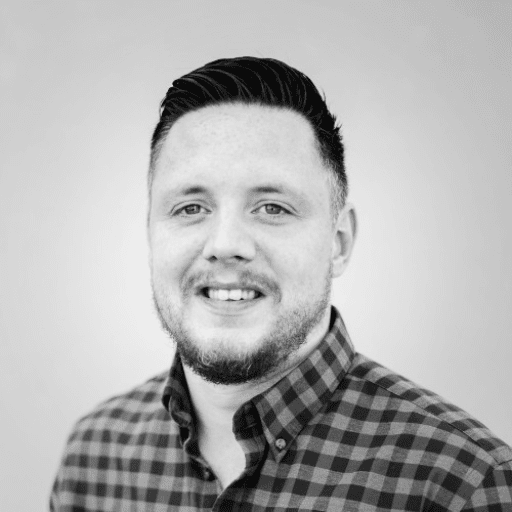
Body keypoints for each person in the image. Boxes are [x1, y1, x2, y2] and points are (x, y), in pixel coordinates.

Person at [50, 56, 512, 511]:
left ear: (339, 242)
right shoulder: (94, 458)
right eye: (190, 208)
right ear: (151, 234)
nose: (226, 244)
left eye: (272, 208)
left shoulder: (464, 484)